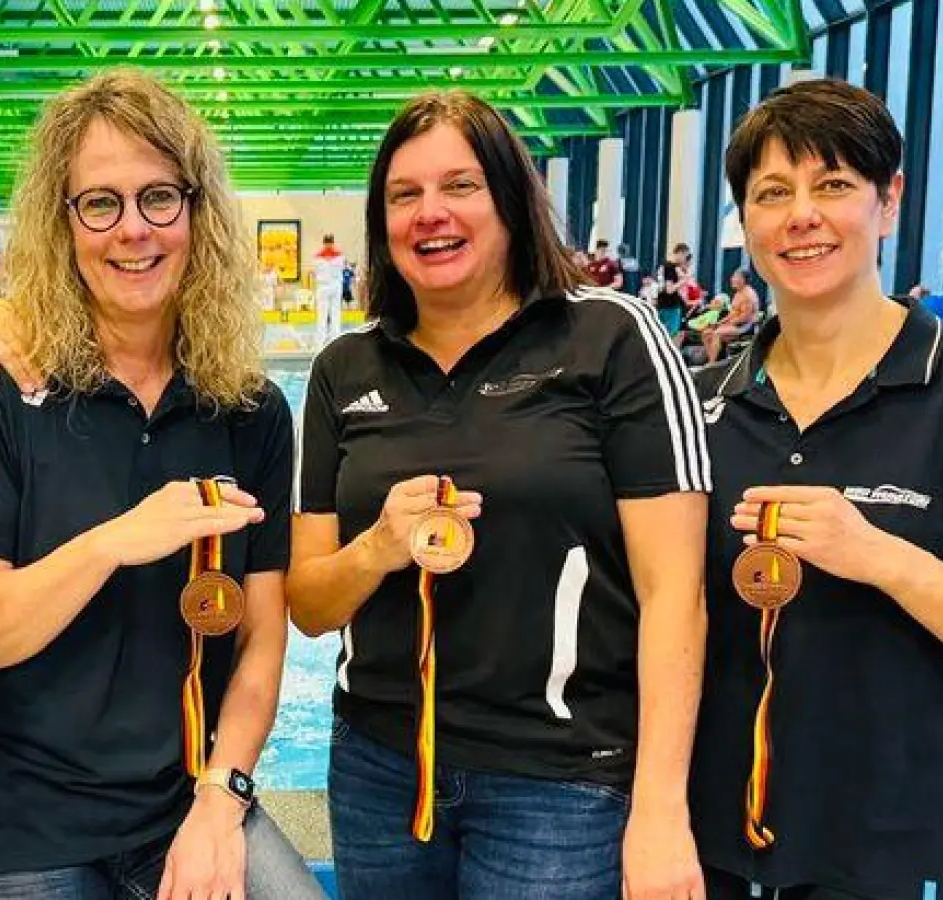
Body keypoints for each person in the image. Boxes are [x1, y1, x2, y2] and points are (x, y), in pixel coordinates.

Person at [287, 90, 711, 900]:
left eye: (460, 186)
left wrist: (661, 807)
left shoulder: (610, 338)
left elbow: (676, 595)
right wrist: (378, 544)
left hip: (559, 779)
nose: (429, 214)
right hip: (382, 767)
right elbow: (309, 605)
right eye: (403, 195)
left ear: (511, 200)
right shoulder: (346, 369)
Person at [0, 69, 323, 900]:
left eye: (158, 198)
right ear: (61, 225)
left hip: (178, 802)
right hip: (11, 821)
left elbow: (262, 642)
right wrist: (112, 543)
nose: (132, 231)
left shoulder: (248, 409)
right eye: (99, 203)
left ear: (197, 214)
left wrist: (221, 797)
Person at [692, 78, 943, 900]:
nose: (802, 216)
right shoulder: (699, 403)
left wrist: (874, 553)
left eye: (833, 185)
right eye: (772, 193)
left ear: (888, 200)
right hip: (713, 850)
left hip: (896, 861)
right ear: (746, 222)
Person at [700, 269, 760, 363]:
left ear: (743, 280)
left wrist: (727, 324)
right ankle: (715, 359)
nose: (732, 279)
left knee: (717, 333)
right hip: (734, 323)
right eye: (733, 277)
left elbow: (745, 318)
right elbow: (732, 313)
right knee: (706, 333)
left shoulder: (748, 295)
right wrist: (719, 322)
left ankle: (711, 363)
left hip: (745, 327)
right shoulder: (738, 292)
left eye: (735, 277)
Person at [313, 233, 348, 348]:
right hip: (335, 285)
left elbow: (315, 272)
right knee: (335, 314)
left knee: (322, 315)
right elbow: (343, 268)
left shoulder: (317, 257)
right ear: (333, 243)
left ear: (324, 243)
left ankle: (320, 342)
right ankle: (335, 340)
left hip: (323, 286)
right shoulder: (340, 256)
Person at [656, 243, 693, 337]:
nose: (685, 259)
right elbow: (670, 290)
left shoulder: (664, 265)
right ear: (681, 253)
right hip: (670, 306)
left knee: (661, 334)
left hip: (662, 303)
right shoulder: (670, 267)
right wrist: (684, 280)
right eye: (686, 256)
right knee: (670, 335)